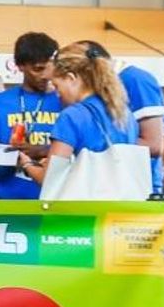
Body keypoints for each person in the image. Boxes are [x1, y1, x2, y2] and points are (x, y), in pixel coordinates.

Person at [17, 42, 139, 195]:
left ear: (71, 77)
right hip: (123, 209)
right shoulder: (124, 113)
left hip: (86, 213)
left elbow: (49, 180)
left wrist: (27, 164)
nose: (57, 94)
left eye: (57, 86)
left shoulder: (72, 116)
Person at [0, 32, 61, 199]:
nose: (46, 75)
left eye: (49, 68)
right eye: (38, 69)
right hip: (7, 196)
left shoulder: (63, 101)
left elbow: (78, 150)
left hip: (50, 196)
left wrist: (43, 150)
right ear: (20, 66)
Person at [78, 41, 164, 194]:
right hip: (107, 183)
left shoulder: (136, 80)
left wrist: (92, 142)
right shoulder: (97, 90)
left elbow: (154, 146)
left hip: (138, 186)